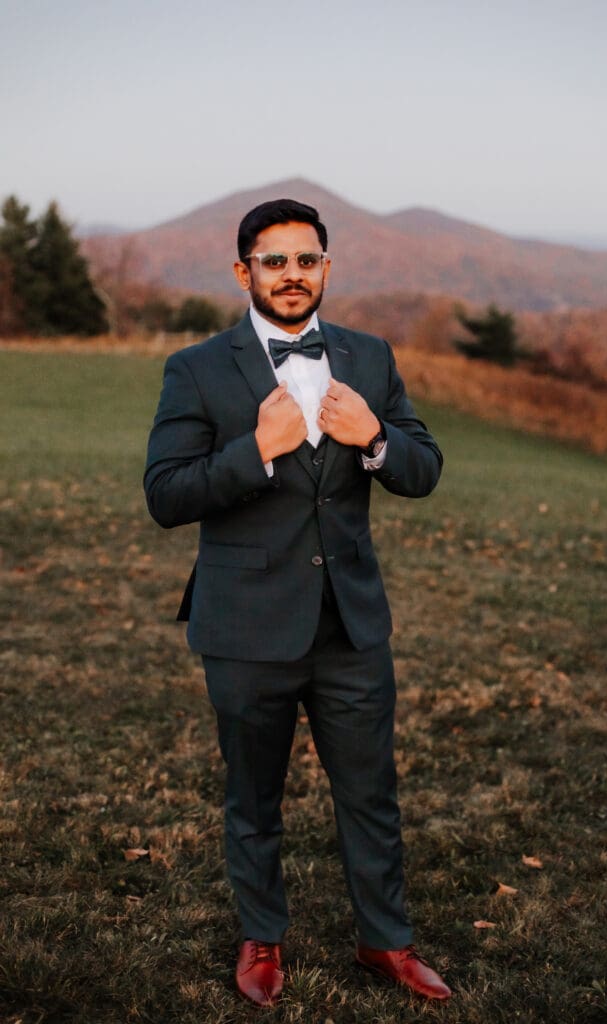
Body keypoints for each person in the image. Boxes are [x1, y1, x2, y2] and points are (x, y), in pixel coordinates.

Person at [144, 198, 450, 1007]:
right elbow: (167, 494)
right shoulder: (197, 368)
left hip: (350, 624)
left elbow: (422, 467)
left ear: (326, 268)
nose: (291, 275)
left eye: (306, 259)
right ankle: (260, 938)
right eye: (273, 261)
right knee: (254, 796)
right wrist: (256, 450)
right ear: (244, 271)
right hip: (245, 625)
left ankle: (385, 941)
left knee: (370, 792)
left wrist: (375, 438)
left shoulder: (370, 357)